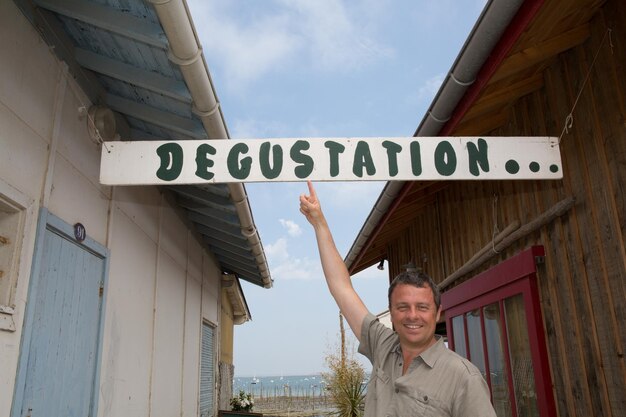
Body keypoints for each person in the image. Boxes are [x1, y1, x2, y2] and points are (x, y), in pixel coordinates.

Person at [300, 181, 496, 417]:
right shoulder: (383, 346)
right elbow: (341, 287)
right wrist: (319, 223)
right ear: (392, 313)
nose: (412, 315)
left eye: (422, 307)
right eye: (403, 307)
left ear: (437, 312)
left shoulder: (463, 377)